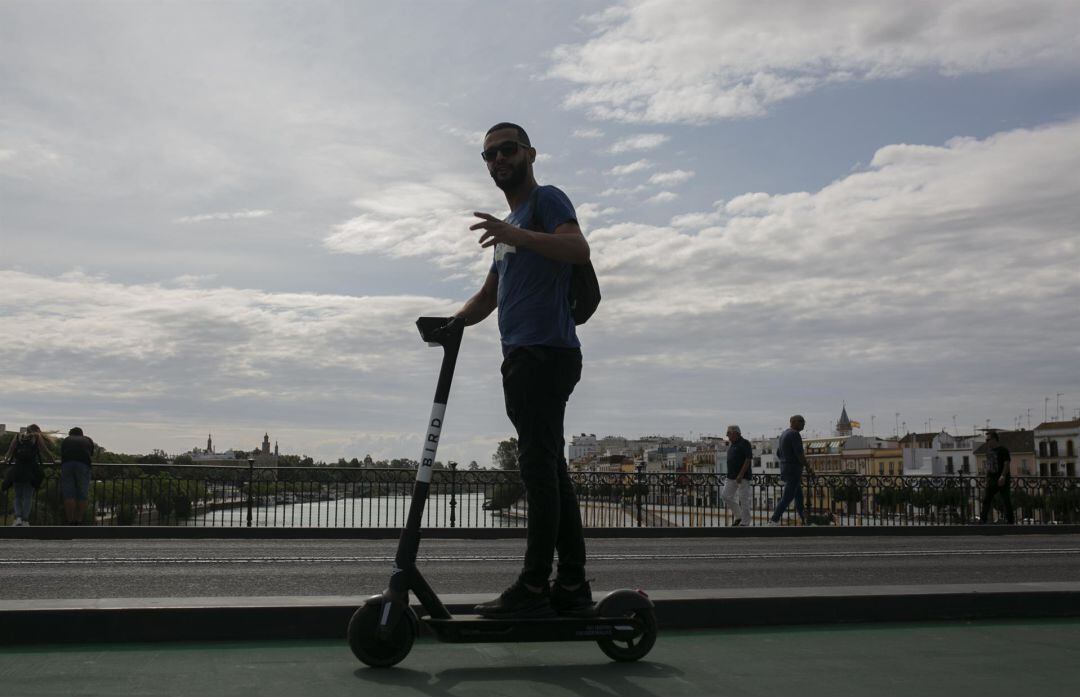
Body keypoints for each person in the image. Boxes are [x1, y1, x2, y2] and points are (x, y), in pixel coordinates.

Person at [439, 122, 592, 619]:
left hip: (546, 353)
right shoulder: (509, 229)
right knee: (549, 468)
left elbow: (577, 249)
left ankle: (533, 587)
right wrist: (451, 323)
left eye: (506, 150)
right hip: (521, 357)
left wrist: (517, 234)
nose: (497, 160)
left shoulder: (546, 200)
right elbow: (487, 298)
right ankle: (570, 584)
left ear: (529, 153)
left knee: (537, 469)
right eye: (488, 155)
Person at [2, 424, 53, 527]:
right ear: (37, 430)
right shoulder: (37, 437)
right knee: (27, 497)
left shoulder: (18, 436)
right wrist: (52, 459)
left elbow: (10, 450)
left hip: (18, 469)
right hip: (30, 470)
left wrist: (5, 460)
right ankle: (25, 520)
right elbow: (44, 451)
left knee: (17, 496)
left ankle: (18, 518)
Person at [769, 415, 813, 526]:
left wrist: (785, 461)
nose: (803, 424)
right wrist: (808, 467)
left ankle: (803, 519)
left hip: (786, 469)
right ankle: (774, 520)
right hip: (793, 470)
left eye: (804, 421)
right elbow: (800, 454)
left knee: (798, 495)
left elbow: (779, 453)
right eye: (801, 421)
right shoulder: (794, 434)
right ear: (793, 422)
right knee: (787, 497)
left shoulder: (784, 434)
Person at [60, 426, 96, 525]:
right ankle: (79, 520)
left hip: (67, 464)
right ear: (81, 434)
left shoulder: (66, 440)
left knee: (69, 494)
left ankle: (70, 520)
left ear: (71, 434)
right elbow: (91, 454)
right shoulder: (88, 440)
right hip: (83, 465)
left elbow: (62, 453)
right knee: (82, 493)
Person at [980, 431, 1014, 524]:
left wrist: (1003, 476)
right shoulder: (988, 451)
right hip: (991, 480)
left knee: (1006, 500)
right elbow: (988, 466)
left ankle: (1010, 522)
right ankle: (983, 521)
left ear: (994, 439)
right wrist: (986, 478)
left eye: (988, 440)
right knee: (986, 500)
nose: (986, 442)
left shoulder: (1003, 450)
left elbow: (1006, 464)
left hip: (1002, 480)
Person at [722, 425, 753, 526]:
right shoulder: (732, 444)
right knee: (726, 496)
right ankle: (739, 516)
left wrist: (740, 474)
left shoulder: (745, 443)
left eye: (729, 433)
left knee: (744, 499)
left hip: (742, 477)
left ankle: (745, 522)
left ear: (736, 433)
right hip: (731, 476)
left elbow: (748, 460)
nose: (727, 435)